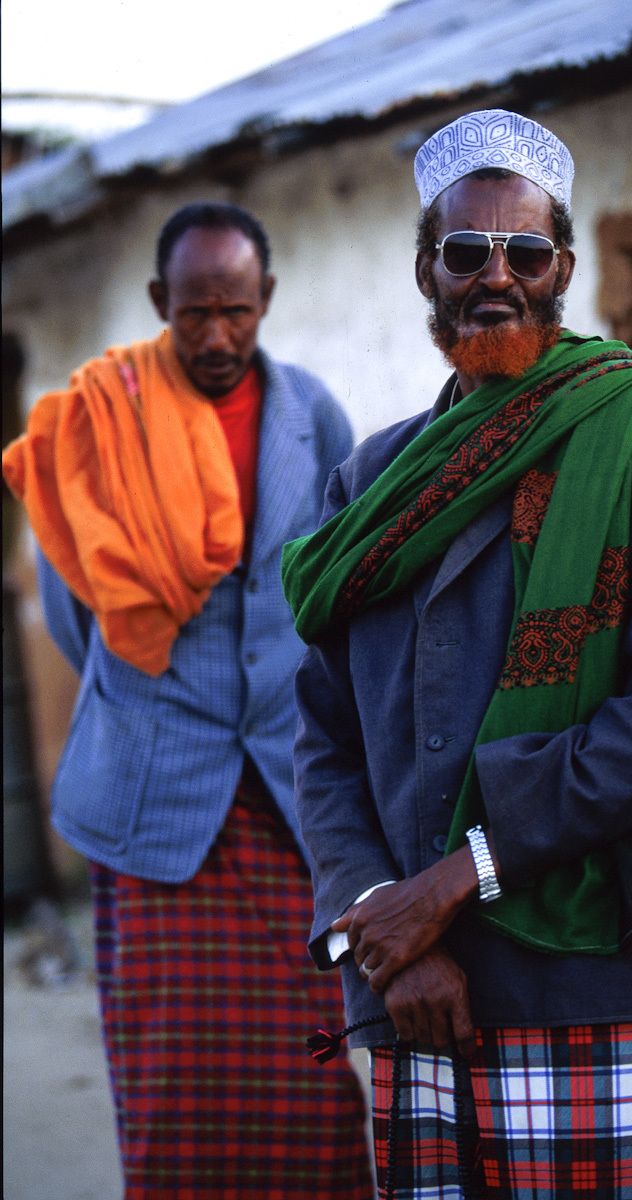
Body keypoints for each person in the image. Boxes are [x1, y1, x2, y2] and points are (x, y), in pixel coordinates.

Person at [282, 111, 632, 1199]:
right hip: (409, 979)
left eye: (525, 252)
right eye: (465, 251)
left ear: (562, 269)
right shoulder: (369, 484)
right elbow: (325, 741)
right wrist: (391, 926)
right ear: (425, 272)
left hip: (585, 961)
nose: (496, 276)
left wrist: (452, 882)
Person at [3, 202, 373, 1199]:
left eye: (236, 311)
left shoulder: (311, 415)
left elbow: (333, 589)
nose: (216, 335)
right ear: (159, 300)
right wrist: (157, 689)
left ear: (267, 299)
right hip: (154, 797)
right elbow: (76, 609)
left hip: (285, 795)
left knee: (310, 1073)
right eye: (194, 312)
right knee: (174, 1086)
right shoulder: (102, 417)